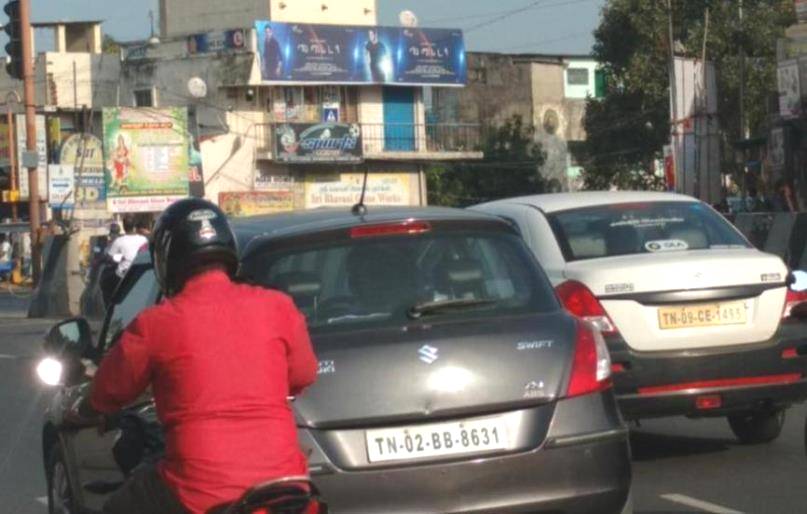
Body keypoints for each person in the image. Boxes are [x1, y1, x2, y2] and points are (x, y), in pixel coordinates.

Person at [65, 198, 318, 514]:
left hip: (199, 492)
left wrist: (84, 411)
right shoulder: (278, 306)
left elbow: (108, 391)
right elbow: (303, 374)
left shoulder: (156, 323)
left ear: (166, 260)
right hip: (286, 486)